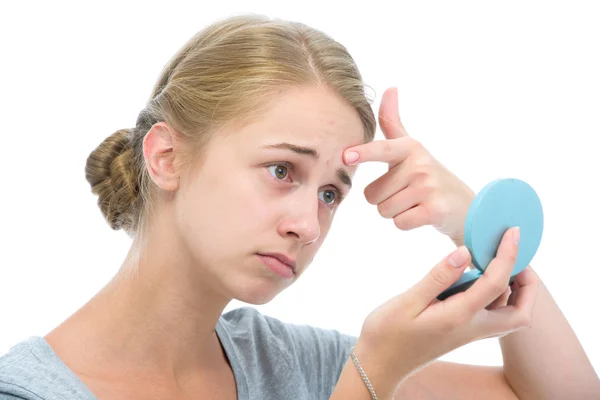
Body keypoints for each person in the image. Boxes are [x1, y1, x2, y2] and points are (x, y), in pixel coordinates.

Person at [0, 13, 598, 400]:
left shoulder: (289, 364)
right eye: (281, 170)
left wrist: (476, 227)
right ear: (166, 158)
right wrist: (374, 377)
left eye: (331, 193)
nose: (308, 226)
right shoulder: (29, 392)